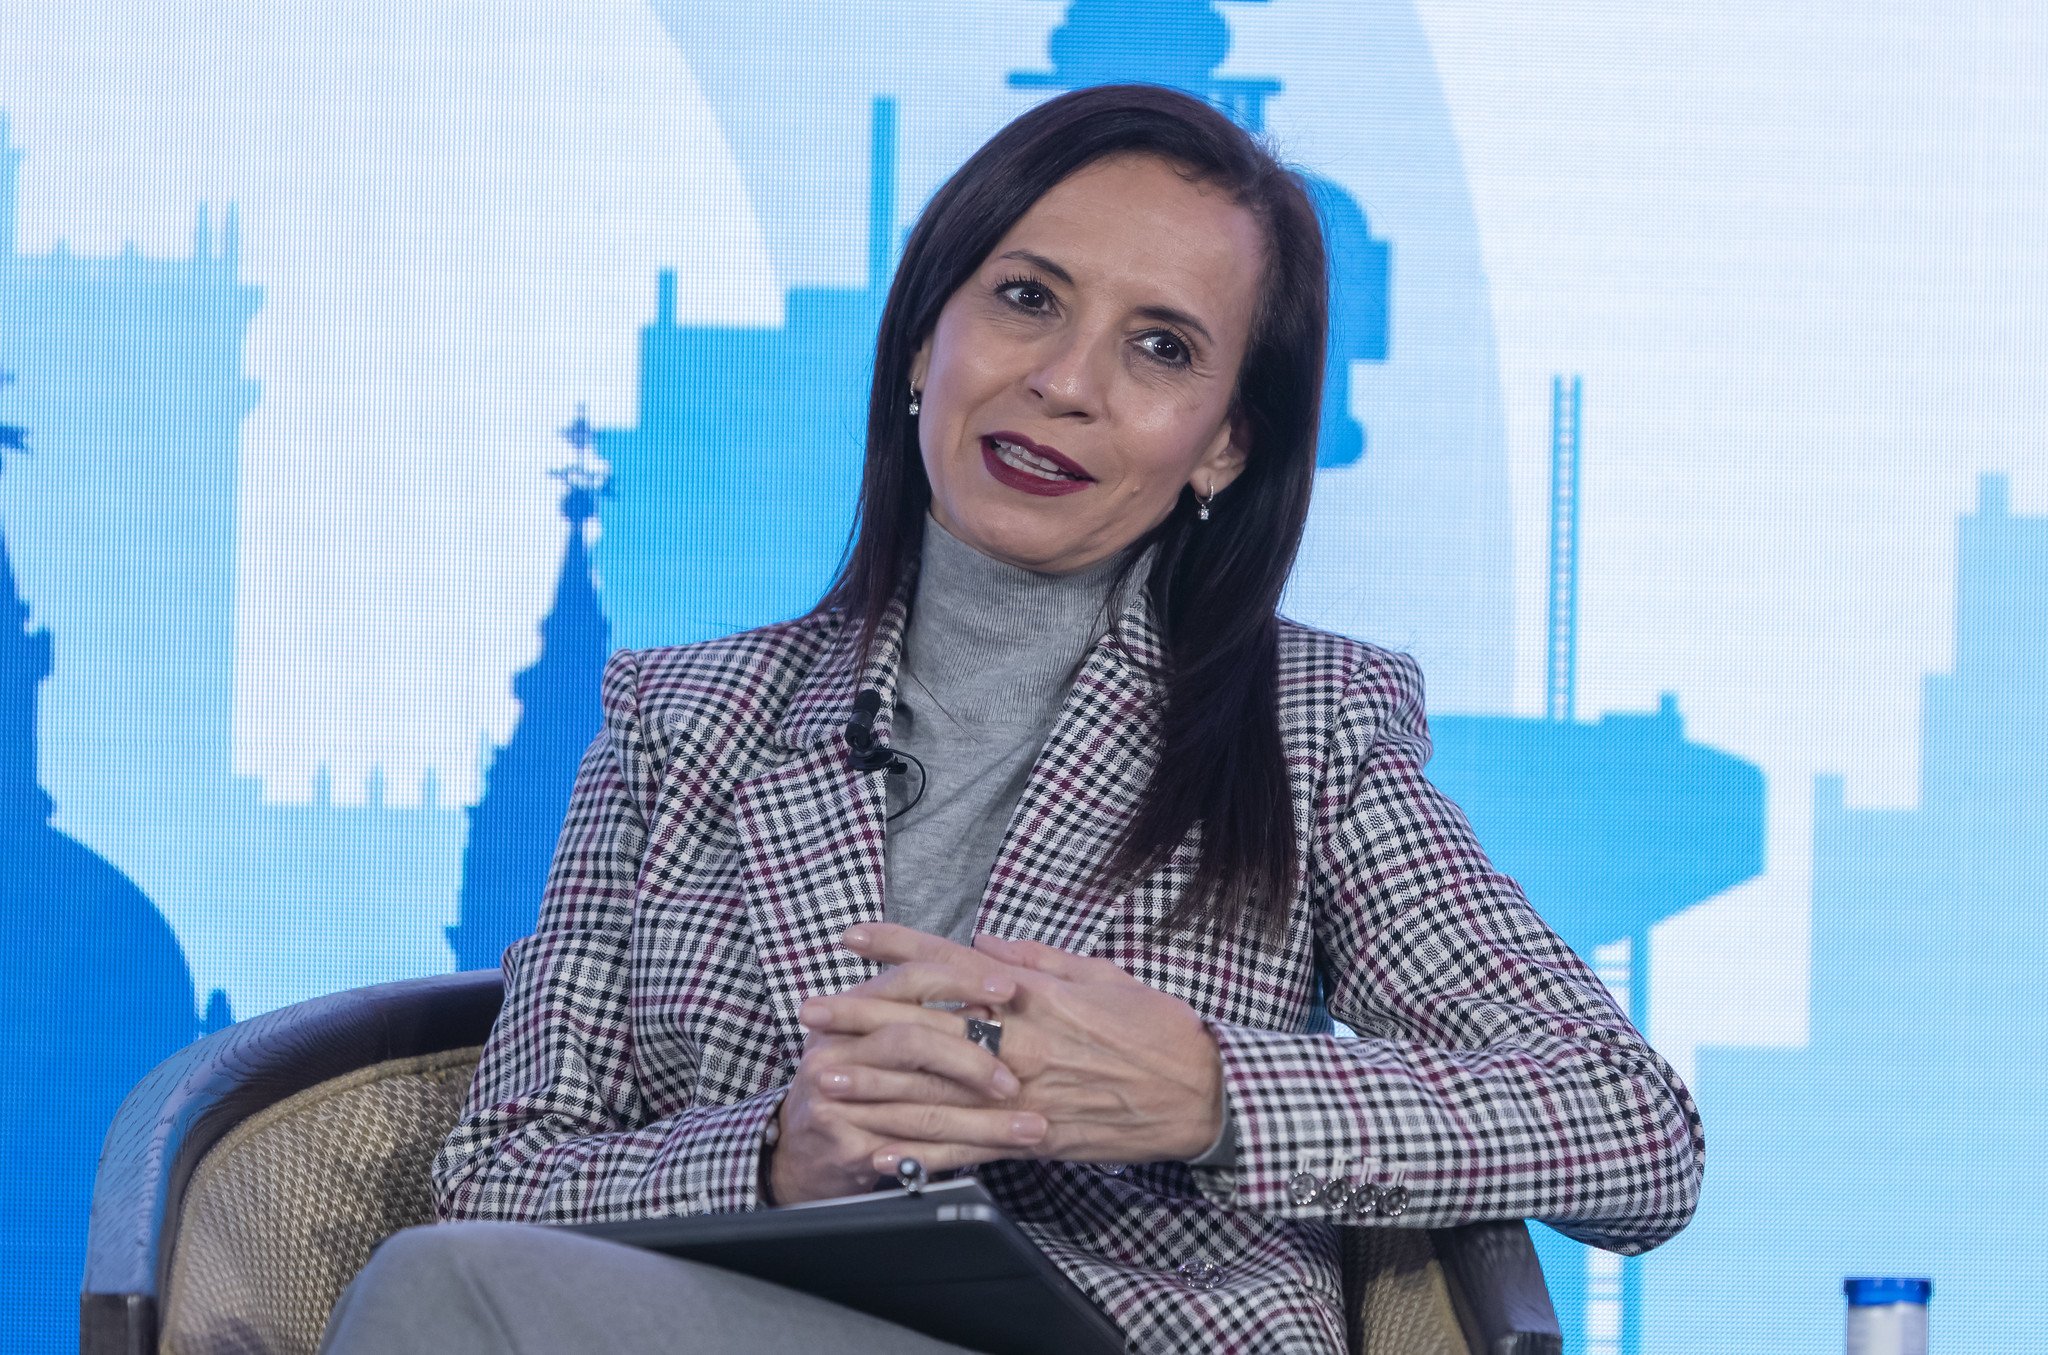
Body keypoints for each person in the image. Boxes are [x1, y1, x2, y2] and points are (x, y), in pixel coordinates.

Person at [320, 83, 1703, 1355]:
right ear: (925, 340)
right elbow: (498, 1177)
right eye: (1029, 299)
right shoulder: (685, 724)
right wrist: (777, 1161)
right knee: (446, 1283)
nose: (1067, 382)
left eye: (1160, 348)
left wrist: (1210, 1094)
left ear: (1224, 443)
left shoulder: (1307, 727)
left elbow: (1631, 1127)